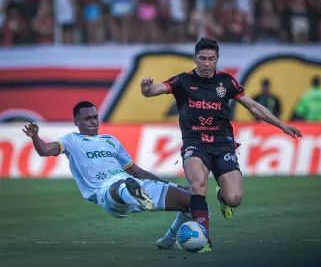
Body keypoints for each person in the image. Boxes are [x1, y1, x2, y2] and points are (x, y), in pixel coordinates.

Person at [141, 37, 302, 252]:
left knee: (234, 198)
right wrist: (147, 89)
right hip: (194, 144)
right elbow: (154, 91)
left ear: (217, 59)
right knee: (197, 184)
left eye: (211, 59)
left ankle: (222, 196)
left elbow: (253, 106)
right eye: (202, 58)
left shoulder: (227, 82)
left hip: (223, 144)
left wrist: (281, 125)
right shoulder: (182, 81)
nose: (207, 63)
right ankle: (204, 239)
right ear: (195, 58)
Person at [22, 101, 204, 251]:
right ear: (76, 122)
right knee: (122, 184)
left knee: (192, 200)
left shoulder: (111, 141)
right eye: (87, 118)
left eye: (95, 117)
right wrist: (35, 137)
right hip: (105, 193)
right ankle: (135, 195)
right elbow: (45, 150)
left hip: (134, 182)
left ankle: (168, 240)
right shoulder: (71, 140)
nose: (93, 121)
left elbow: (137, 171)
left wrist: (171, 185)